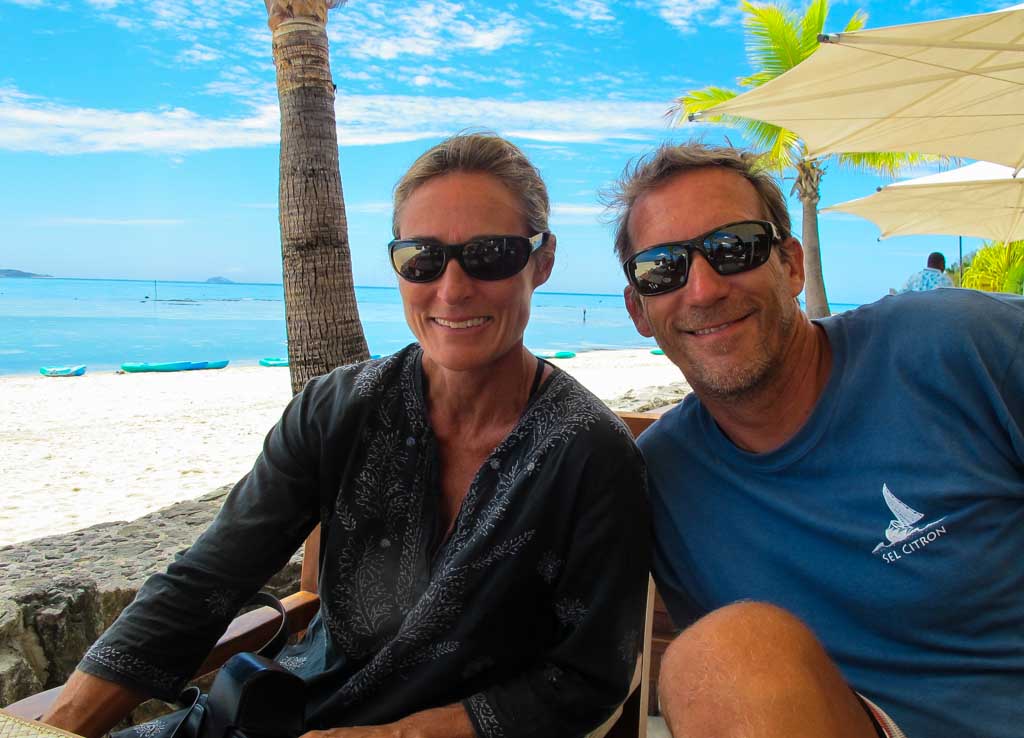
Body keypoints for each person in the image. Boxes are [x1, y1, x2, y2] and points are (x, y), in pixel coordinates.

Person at [42, 133, 650, 738]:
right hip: (285, 714)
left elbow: (588, 677)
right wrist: (59, 728)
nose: (452, 288)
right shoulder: (336, 411)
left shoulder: (590, 455)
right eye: (422, 258)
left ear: (542, 261)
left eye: (490, 255)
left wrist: (394, 736)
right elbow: (206, 581)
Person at [610, 142, 1024, 738]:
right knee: (718, 660)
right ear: (639, 310)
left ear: (792, 266)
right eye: (662, 268)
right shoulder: (661, 478)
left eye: (734, 248)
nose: (702, 289)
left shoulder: (957, 347)